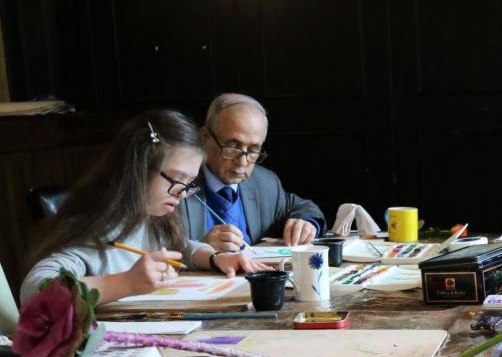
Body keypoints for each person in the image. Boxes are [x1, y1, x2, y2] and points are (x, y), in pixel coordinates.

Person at [21, 110, 270, 305]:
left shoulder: (150, 216)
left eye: (189, 183)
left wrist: (215, 258)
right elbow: (35, 291)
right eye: (175, 180)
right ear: (138, 171)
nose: (183, 193)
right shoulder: (92, 229)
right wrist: (125, 283)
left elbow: (179, 247)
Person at [180, 93, 325, 251]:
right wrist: (198, 250)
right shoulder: (175, 185)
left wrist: (306, 222)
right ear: (205, 138)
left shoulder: (265, 182)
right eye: (233, 147)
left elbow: (303, 207)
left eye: (253, 150)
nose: (242, 162)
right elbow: (154, 250)